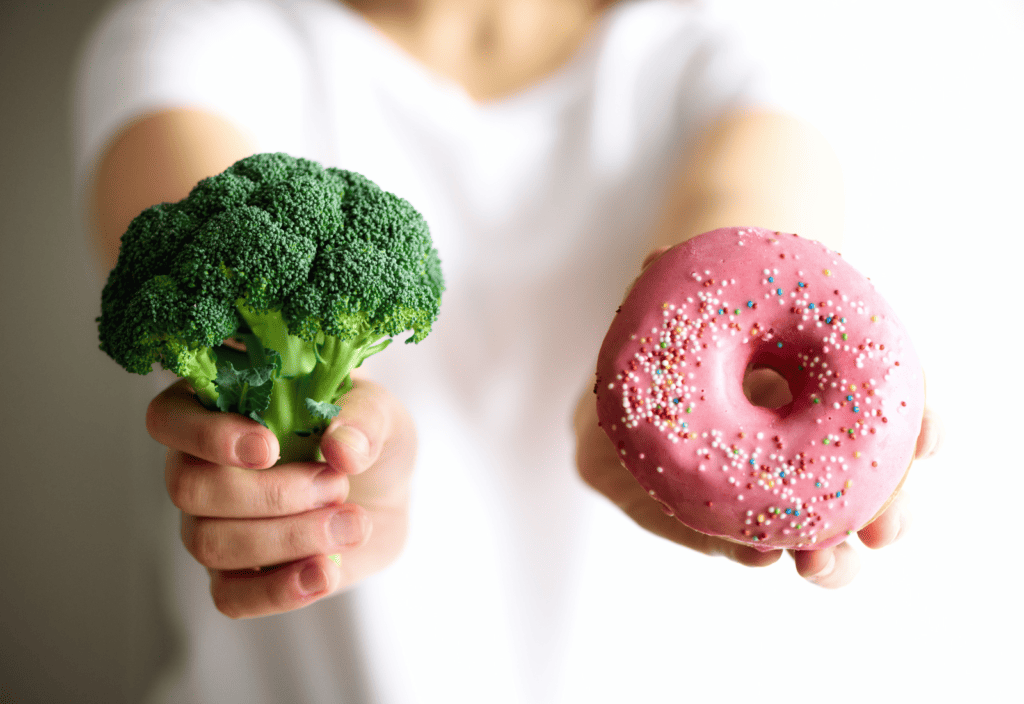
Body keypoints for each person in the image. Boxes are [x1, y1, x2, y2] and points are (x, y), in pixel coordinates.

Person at [75, 0, 941, 701]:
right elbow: (201, 249)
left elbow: (748, 242)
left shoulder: (737, 38)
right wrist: (339, 457)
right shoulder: (190, 34)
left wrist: (629, 416)